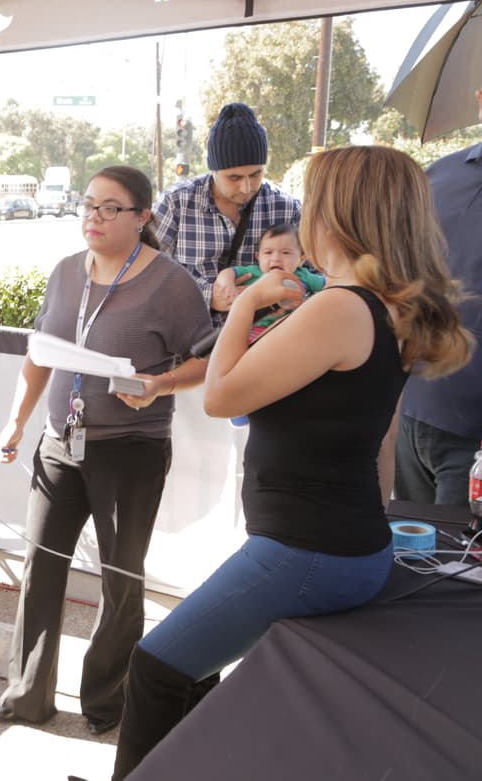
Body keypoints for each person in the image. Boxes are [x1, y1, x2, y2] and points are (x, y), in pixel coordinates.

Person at [112, 146, 473, 780]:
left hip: (309, 550)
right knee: (195, 668)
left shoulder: (339, 307)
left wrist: (244, 306)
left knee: (156, 665)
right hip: (343, 544)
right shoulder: (384, 307)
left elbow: (222, 396)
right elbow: (379, 443)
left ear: (337, 213)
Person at [0, 165, 212, 737]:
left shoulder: (171, 284)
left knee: (120, 578)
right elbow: (40, 351)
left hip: (130, 450)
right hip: (59, 443)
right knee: (40, 567)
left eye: (111, 208)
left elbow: (208, 360)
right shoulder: (65, 273)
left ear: (143, 218)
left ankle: (107, 701)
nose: (94, 216)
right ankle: (26, 694)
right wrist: (16, 423)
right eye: (89, 204)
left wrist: (159, 385)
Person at [396, 87, 482, 506]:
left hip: (473, 439)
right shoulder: (436, 176)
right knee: (409, 561)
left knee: (463, 568)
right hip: (408, 409)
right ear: (480, 97)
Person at [153, 103, 302, 325]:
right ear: (212, 170)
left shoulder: (287, 209)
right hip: (189, 340)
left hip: (262, 344)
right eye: (234, 177)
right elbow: (146, 272)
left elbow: (313, 274)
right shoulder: (177, 203)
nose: (247, 187)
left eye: (256, 174)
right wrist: (208, 296)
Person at [213, 223, 325, 343]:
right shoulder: (254, 272)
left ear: (301, 259)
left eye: (285, 252)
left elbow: (330, 286)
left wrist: (309, 301)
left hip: (292, 330)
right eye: (268, 252)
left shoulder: (303, 276)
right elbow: (228, 272)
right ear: (258, 256)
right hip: (254, 330)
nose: (276, 258)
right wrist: (227, 284)